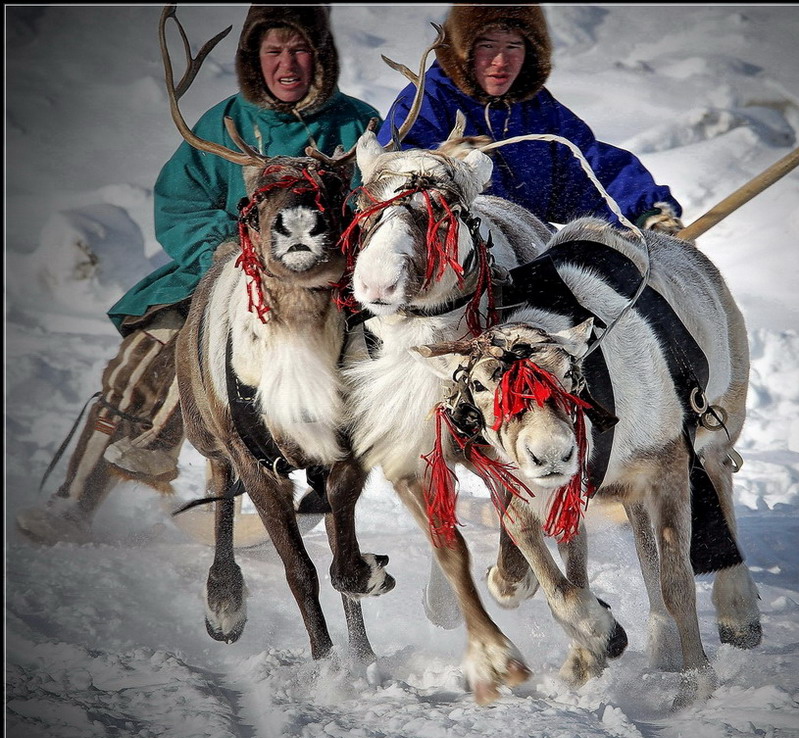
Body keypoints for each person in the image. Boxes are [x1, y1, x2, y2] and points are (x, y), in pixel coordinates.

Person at [17, 5, 381, 544]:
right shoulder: (224, 124)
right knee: (145, 359)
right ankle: (76, 499)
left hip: (330, 284)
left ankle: (319, 489)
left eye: (299, 49)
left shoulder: (359, 125)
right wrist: (229, 250)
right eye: (273, 51)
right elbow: (180, 204)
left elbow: (384, 203)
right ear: (254, 59)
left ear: (321, 55)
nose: (287, 64)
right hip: (226, 275)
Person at [377, 3, 685, 234]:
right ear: (462, 50)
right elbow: (390, 179)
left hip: (528, 256)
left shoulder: (537, 110)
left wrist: (646, 214)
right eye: (487, 46)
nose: (501, 61)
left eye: (514, 46)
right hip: (447, 265)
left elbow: (589, 170)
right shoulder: (426, 101)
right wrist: (442, 165)